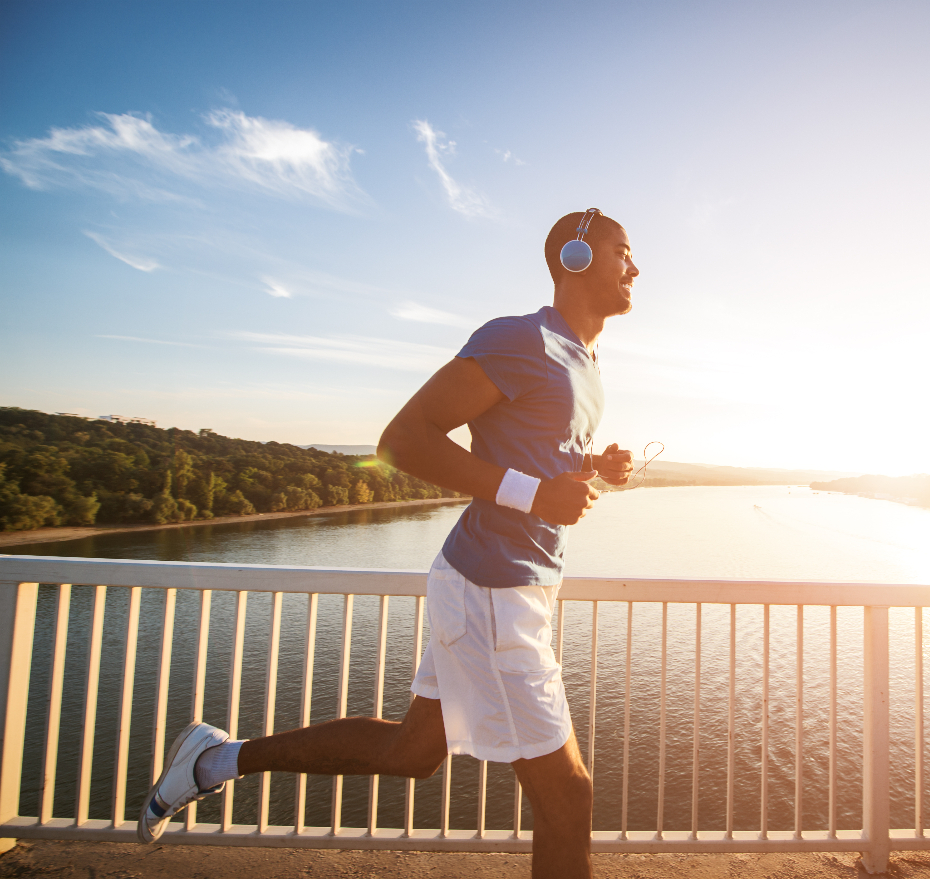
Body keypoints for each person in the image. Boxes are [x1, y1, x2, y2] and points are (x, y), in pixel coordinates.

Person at [138, 209, 639, 879]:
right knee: (567, 794)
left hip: (512, 585)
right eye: (622, 252)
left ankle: (213, 759)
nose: (635, 267)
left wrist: (592, 466)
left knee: (412, 752)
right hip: (493, 589)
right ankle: (212, 759)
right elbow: (403, 439)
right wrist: (531, 494)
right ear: (574, 258)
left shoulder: (586, 363)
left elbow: (536, 462)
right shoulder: (522, 340)